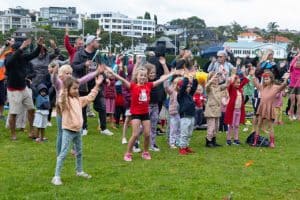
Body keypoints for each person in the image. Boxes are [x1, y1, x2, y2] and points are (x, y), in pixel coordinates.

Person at [105, 65, 182, 162]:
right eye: (141, 75)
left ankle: (145, 152)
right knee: (135, 134)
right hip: (136, 114)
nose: (143, 77)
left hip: (145, 113)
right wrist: (113, 73)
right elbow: (122, 79)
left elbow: (160, 81)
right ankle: (128, 153)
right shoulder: (132, 86)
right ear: (136, 76)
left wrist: (172, 73)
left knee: (147, 134)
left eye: (145, 76)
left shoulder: (148, 85)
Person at [51, 75, 103, 186]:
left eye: (77, 88)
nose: (77, 90)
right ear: (67, 89)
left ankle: (79, 171)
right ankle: (56, 176)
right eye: (74, 88)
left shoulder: (79, 100)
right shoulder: (65, 102)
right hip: (68, 131)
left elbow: (90, 97)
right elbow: (61, 99)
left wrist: (97, 85)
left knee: (79, 152)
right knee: (63, 153)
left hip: (78, 131)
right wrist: (63, 88)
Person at [51, 64, 103, 155]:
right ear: (61, 75)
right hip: (61, 111)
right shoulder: (59, 83)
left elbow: (85, 78)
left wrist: (96, 72)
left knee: (75, 129)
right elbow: (54, 79)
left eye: (71, 73)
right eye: (67, 73)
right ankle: (59, 153)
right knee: (61, 132)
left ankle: (74, 149)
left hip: (72, 111)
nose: (70, 75)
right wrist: (54, 72)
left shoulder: (74, 82)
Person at [4, 37, 43, 140]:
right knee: (13, 112)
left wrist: (39, 46)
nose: (23, 52)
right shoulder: (8, 57)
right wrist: (21, 48)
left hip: (23, 88)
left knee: (31, 109)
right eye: (21, 50)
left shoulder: (22, 57)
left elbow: (33, 54)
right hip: (13, 90)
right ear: (16, 50)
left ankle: (31, 132)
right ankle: (13, 135)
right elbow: (9, 63)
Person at [249, 69, 289, 148]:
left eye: (267, 79)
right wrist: (253, 75)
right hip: (262, 107)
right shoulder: (262, 87)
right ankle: (255, 141)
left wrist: (286, 79)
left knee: (270, 126)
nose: (265, 80)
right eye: (264, 79)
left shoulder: (275, 87)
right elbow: (255, 83)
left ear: (271, 79)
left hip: (270, 108)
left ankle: (272, 142)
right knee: (259, 124)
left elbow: (283, 86)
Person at [147, 58, 169, 152]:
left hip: (155, 106)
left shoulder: (157, 79)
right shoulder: (145, 82)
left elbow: (167, 75)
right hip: (146, 106)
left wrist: (164, 64)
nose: (152, 74)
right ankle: (136, 142)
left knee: (153, 125)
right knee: (142, 127)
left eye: (154, 73)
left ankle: (152, 144)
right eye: (150, 73)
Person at [204, 72, 228, 147]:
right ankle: (208, 141)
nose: (216, 79)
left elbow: (227, 84)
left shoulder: (219, 87)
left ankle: (214, 140)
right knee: (211, 126)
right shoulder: (209, 87)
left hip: (217, 110)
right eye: (214, 78)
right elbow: (206, 86)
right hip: (211, 109)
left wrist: (225, 76)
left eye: (217, 78)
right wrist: (211, 79)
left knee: (216, 127)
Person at [224, 75, 249, 145]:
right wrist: (232, 79)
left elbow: (245, 81)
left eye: (239, 83)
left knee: (237, 125)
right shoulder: (232, 89)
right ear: (233, 83)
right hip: (232, 110)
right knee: (231, 125)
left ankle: (236, 139)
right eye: (237, 83)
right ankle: (228, 139)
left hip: (239, 110)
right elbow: (230, 85)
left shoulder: (239, 89)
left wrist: (243, 75)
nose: (238, 84)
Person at [177, 76, 198, 155]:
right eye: (187, 86)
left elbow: (194, 87)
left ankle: (186, 146)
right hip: (185, 117)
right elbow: (183, 86)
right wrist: (186, 77)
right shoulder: (180, 95)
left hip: (191, 116)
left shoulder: (190, 95)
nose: (189, 88)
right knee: (184, 133)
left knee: (189, 133)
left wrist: (195, 79)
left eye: (189, 86)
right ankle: (182, 147)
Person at [164, 77, 181, 148]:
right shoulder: (172, 92)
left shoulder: (181, 92)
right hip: (173, 112)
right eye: (176, 84)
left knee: (179, 128)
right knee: (173, 128)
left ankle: (177, 141)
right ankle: (172, 143)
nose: (178, 85)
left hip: (180, 112)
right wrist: (165, 80)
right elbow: (166, 88)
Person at [0, 38, 14, 120]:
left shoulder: (5, 54)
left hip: (1, 79)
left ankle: (1, 115)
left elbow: (12, 52)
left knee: (1, 98)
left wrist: (11, 44)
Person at [288, 52, 300, 120]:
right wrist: (297, 57)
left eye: (299, 63)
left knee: (299, 102)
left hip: (299, 87)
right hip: (292, 86)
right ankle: (291, 115)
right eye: (297, 63)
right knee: (293, 102)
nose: (298, 64)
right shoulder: (292, 69)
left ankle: (298, 115)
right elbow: (292, 63)